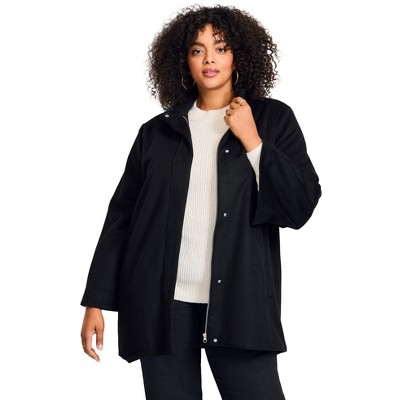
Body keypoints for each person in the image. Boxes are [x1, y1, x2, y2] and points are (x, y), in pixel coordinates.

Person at [80, 4, 321, 399]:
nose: (209, 59)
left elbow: (300, 206)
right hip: (162, 307)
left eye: (221, 48)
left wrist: (252, 140)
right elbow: (122, 217)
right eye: (197, 50)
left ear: (239, 56)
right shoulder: (156, 133)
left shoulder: (272, 119)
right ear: (184, 61)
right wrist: (96, 301)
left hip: (240, 302)